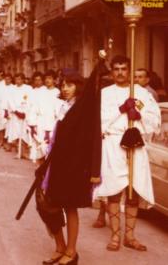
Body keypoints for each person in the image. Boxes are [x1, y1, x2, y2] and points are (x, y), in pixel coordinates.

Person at [94, 56, 161, 252]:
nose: (120, 72)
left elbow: (154, 120)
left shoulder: (140, 93)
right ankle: (115, 235)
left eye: (124, 69)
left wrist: (138, 115)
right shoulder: (105, 93)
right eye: (116, 69)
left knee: (133, 192)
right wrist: (121, 109)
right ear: (111, 72)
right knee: (114, 191)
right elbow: (98, 121)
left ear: (129, 70)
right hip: (114, 144)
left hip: (136, 143)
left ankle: (130, 236)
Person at [40, 73, 84, 265]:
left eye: (70, 85)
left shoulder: (82, 109)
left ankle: (71, 251)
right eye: (63, 85)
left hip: (72, 163)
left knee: (69, 206)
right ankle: (60, 246)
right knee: (46, 203)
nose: (65, 88)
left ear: (78, 87)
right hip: (54, 161)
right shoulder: (62, 106)